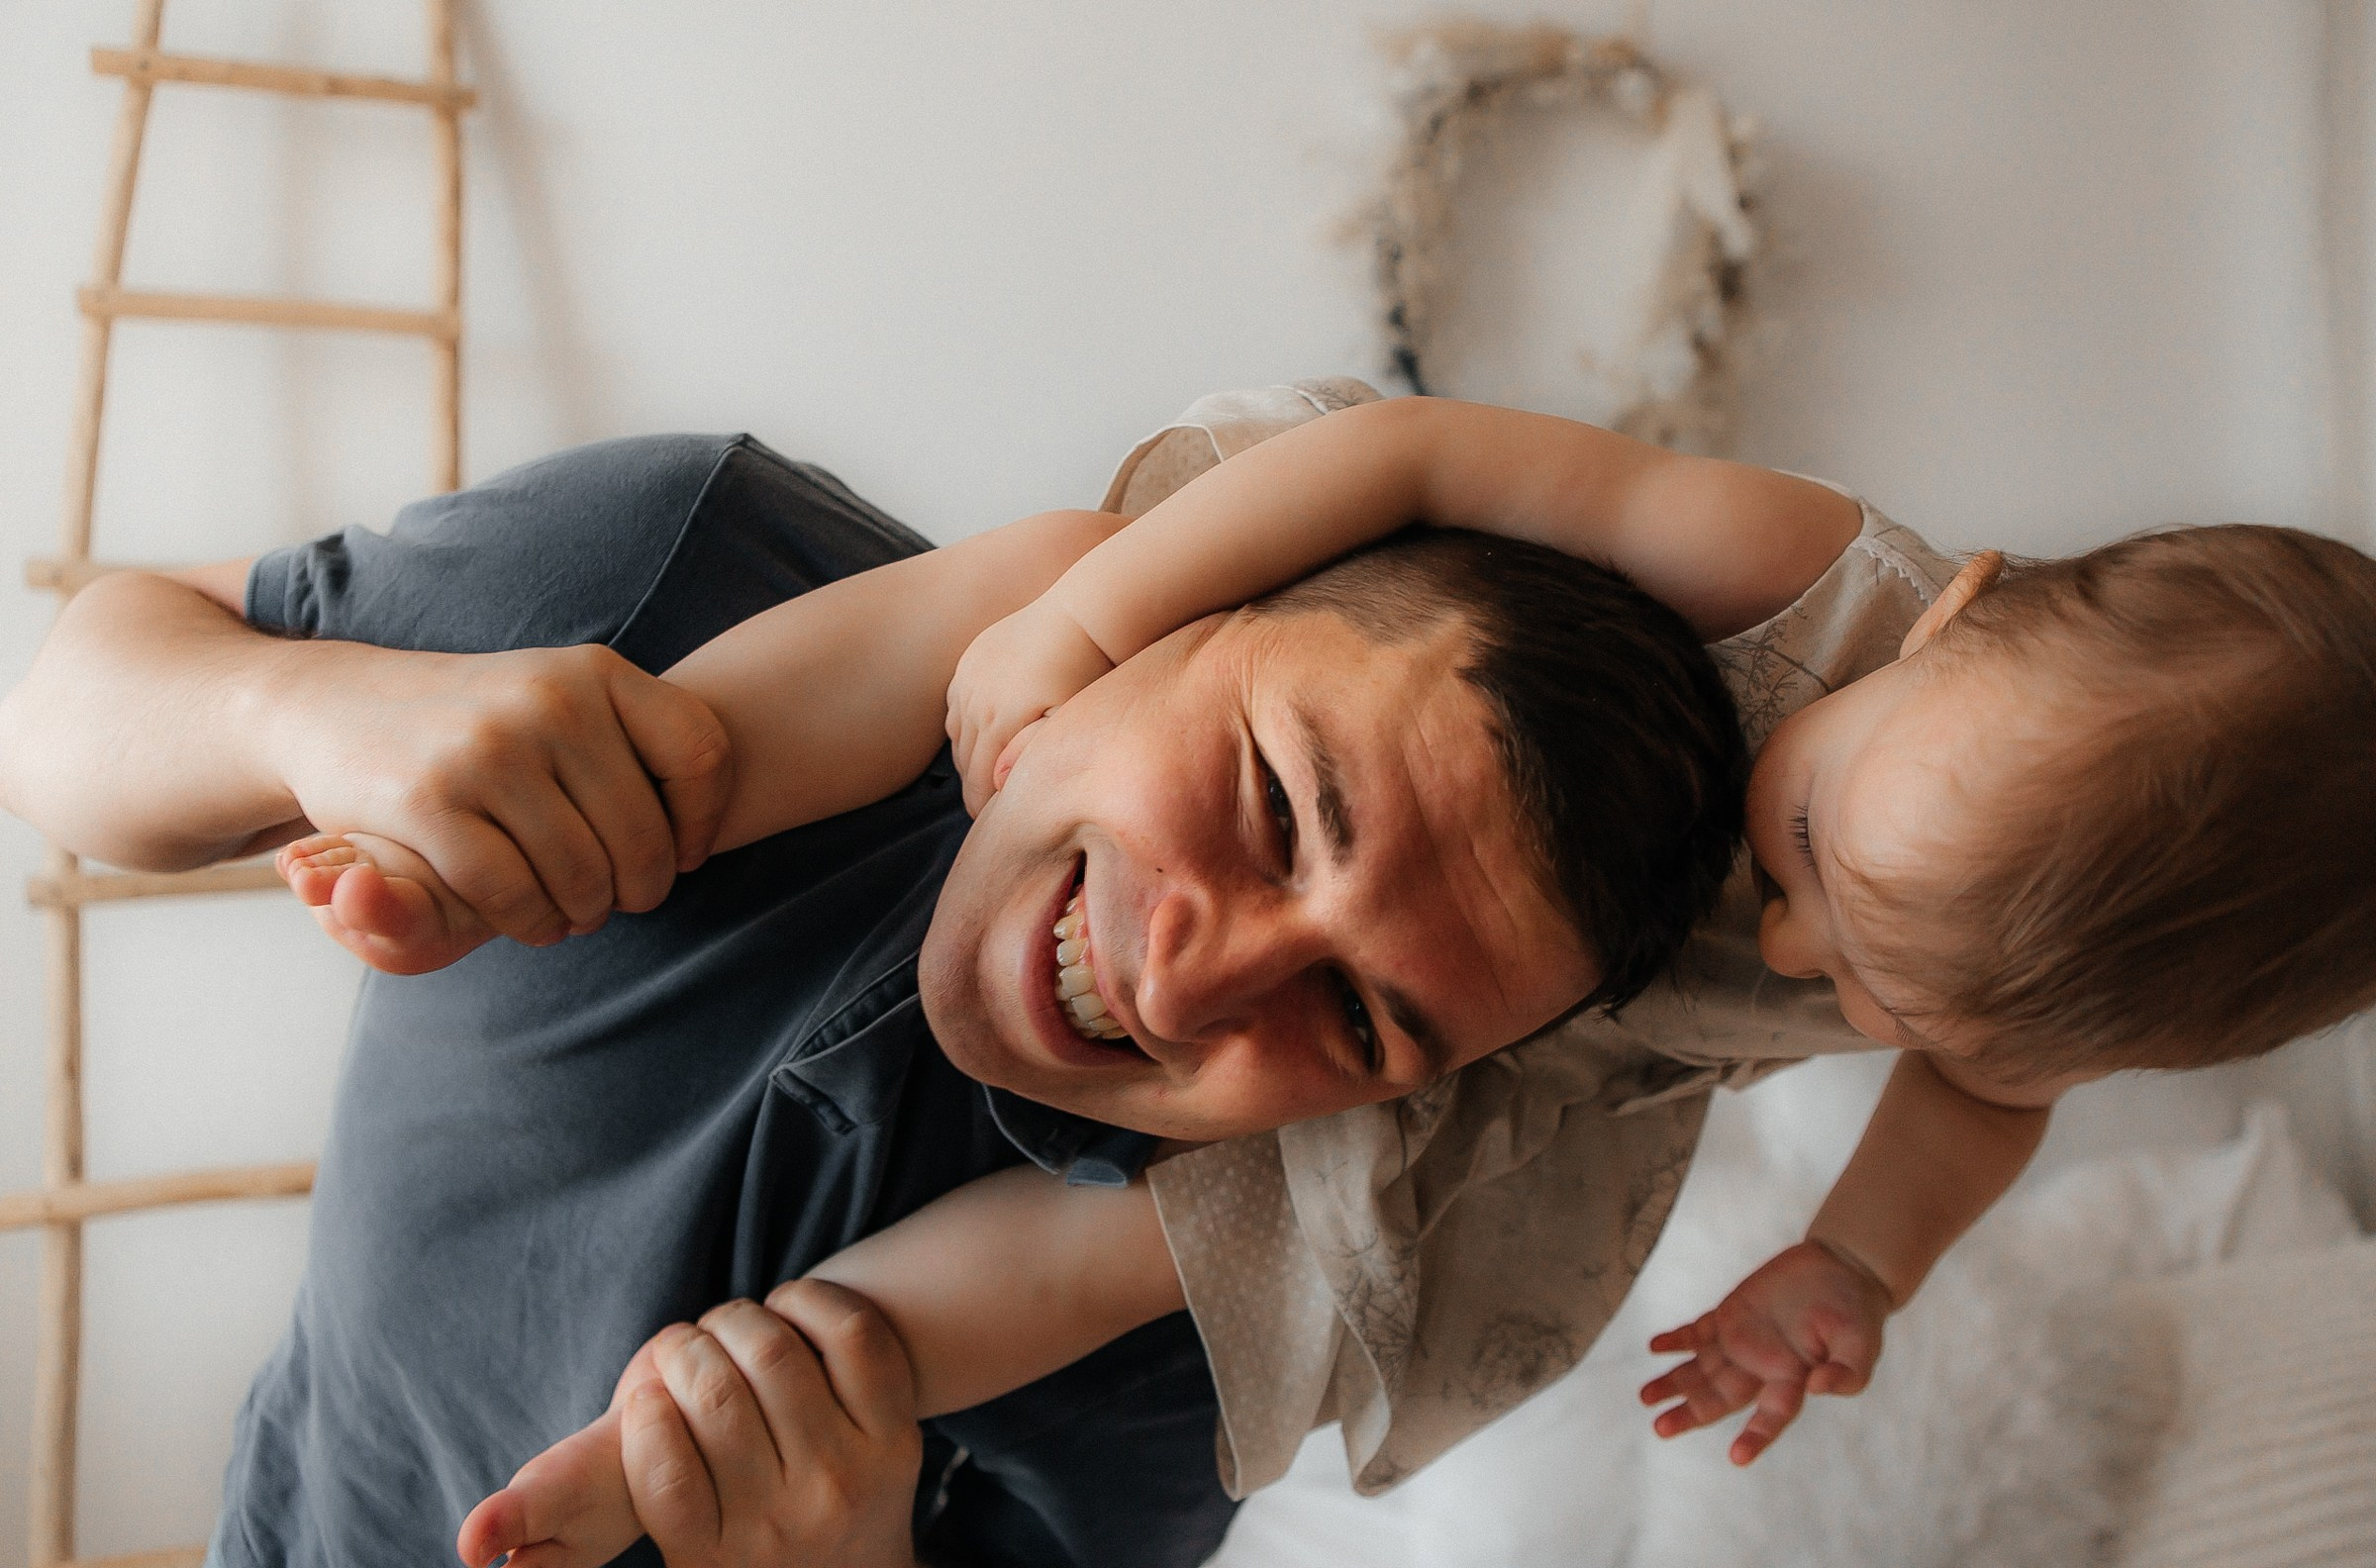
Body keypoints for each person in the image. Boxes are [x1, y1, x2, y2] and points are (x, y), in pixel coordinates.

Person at [260, 377, 2376, 1559]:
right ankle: (559, 826)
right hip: (1445, 736)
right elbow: (1426, 462)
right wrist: (1096, 634)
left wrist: (1855, 1269)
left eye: (1883, 984)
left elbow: (1987, 1097)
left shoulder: (2007, 988)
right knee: (985, 619)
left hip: (1534, 1063)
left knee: (1174, 1247)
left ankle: (784, 1387)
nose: (1799, 944)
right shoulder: (1803, 570)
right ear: (1963, 613)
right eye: (1819, 846)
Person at [0, 422, 1748, 1567]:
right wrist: (295, 716)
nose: (1199, 984)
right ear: (1181, 608)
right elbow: (62, 706)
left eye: (1360, 1021)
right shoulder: (676, 582)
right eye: (1277, 802)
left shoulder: (1183, 1336)